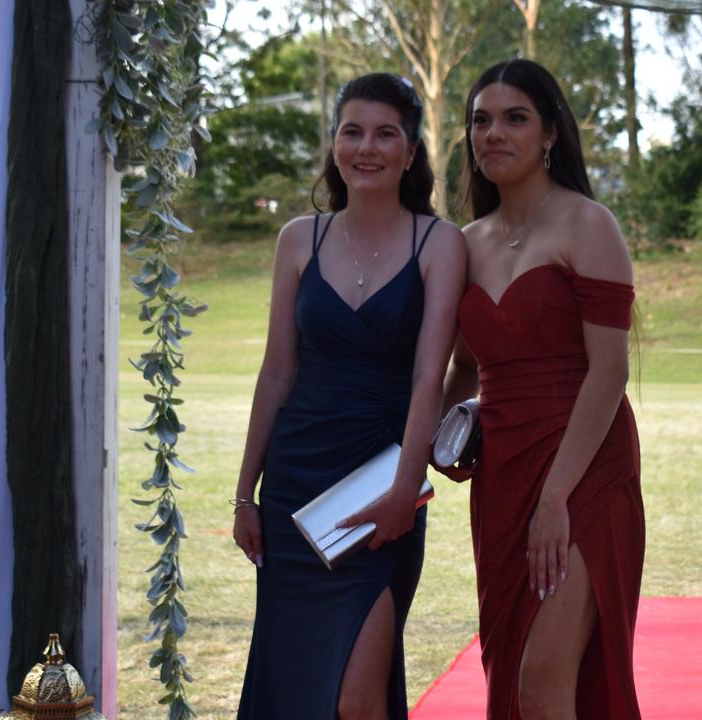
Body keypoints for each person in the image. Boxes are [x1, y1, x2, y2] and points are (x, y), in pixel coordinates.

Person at [232, 73, 465, 720]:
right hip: (293, 490)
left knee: (358, 700)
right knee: (300, 690)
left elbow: (430, 378)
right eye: (352, 131)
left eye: (386, 133)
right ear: (334, 144)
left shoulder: (439, 243)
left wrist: (404, 490)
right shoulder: (297, 240)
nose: (367, 147)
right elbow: (277, 372)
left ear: (412, 152)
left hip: (380, 489)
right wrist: (245, 494)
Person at [441, 59, 645, 719]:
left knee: (544, 680)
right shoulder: (463, 244)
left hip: (583, 470)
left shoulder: (588, 225)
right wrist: (443, 435)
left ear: (550, 133)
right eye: (481, 120)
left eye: (514, 118)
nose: (493, 134)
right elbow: (461, 370)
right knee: (510, 673)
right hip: (502, 476)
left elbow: (609, 373)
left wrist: (556, 497)